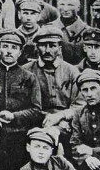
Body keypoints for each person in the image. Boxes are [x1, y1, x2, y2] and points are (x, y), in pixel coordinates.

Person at [22, 26, 84, 156]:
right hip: (35, 121)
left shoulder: (71, 71)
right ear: (37, 47)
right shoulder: (26, 71)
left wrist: (60, 116)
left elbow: (80, 105)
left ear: (59, 48)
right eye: (43, 45)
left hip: (66, 124)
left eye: (52, 45)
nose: (48, 50)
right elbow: (22, 103)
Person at [0, 28, 43, 167]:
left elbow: (36, 110)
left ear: (20, 52)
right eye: (5, 46)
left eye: (14, 47)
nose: (9, 51)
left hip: (19, 134)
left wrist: (14, 116)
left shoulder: (29, 77)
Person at [48, 0, 90, 65]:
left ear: (78, 7)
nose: (66, 9)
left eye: (70, 5)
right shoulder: (49, 29)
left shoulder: (87, 31)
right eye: (62, 4)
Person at [15, 0, 43, 64]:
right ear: (19, 14)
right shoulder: (14, 36)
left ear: (39, 16)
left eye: (33, 14)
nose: (29, 18)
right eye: (25, 13)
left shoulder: (44, 36)